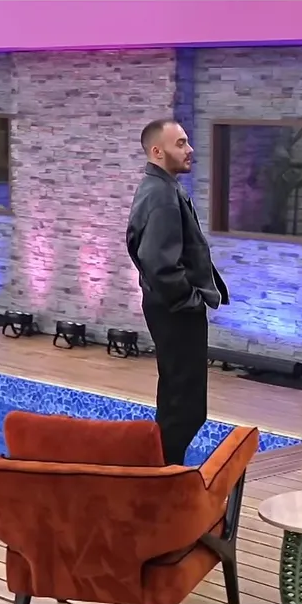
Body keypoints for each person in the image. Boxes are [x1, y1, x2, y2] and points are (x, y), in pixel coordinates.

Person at [126, 119, 229, 466]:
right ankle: (164, 478)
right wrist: (189, 300)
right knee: (184, 408)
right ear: (158, 152)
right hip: (175, 309)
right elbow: (156, 259)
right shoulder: (161, 195)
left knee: (178, 402)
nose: (190, 150)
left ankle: (164, 474)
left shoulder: (160, 188)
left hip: (169, 307)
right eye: (181, 143)